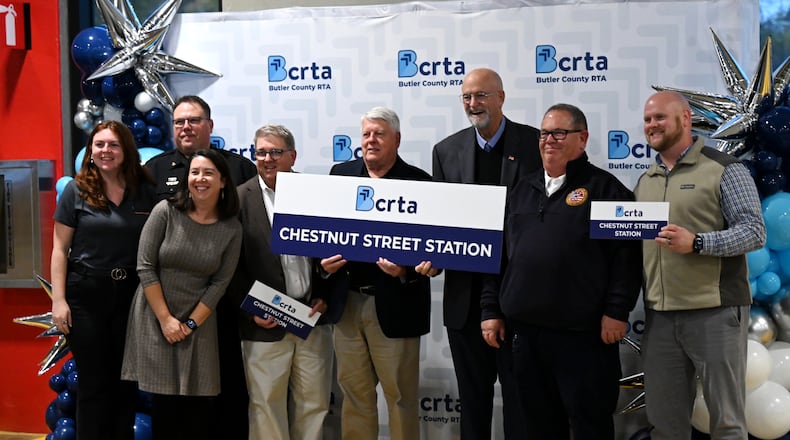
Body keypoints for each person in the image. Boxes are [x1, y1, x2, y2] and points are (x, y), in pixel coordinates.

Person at [481, 103, 642, 439]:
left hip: (583, 339)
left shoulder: (606, 190)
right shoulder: (521, 189)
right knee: (538, 426)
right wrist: (491, 309)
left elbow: (626, 259)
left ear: (582, 139)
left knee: (590, 425)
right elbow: (498, 257)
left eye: (558, 133)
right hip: (525, 336)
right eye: (544, 133)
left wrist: (617, 310)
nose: (548, 140)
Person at [635, 91, 766, 439]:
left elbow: (754, 232)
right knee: (665, 425)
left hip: (715, 313)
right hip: (660, 317)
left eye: (660, 117)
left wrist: (697, 243)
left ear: (686, 119)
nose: (652, 125)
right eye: (648, 119)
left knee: (727, 424)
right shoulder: (645, 181)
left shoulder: (724, 169)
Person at [426, 67, 539, 439]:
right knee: (472, 405)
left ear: (501, 97)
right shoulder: (445, 150)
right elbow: (441, 220)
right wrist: (433, 256)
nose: (474, 104)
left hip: (519, 298)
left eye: (481, 96)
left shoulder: (534, 144)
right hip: (465, 303)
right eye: (467, 97)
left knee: (522, 401)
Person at [144, 95, 256, 438]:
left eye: (193, 120)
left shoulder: (239, 169)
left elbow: (253, 242)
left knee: (228, 393)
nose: (186, 127)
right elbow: (145, 249)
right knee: (171, 398)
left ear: (210, 125)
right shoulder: (154, 171)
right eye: (179, 122)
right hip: (172, 307)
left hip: (226, 303)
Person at [321, 107, 432, 440]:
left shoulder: (420, 183)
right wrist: (322, 266)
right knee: (354, 396)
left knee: (400, 398)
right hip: (348, 303)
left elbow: (432, 251)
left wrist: (406, 269)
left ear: (396, 140)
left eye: (379, 134)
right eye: (366, 133)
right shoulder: (340, 175)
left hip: (396, 302)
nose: (371, 140)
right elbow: (324, 233)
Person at [226, 124, 340, 440]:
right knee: (265, 410)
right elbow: (230, 269)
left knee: (314, 407)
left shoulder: (316, 194)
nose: (267, 159)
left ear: (292, 155)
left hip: (311, 319)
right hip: (262, 325)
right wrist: (251, 310)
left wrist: (325, 292)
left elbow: (333, 252)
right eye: (261, 152)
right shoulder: (238, 199)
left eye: (275, 152)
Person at [121, 149, 242, 440]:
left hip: (198, 322)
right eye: (195, 172)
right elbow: (145, 266)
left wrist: (189, 324)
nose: (200, 179)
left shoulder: (231, 228)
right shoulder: (166, 211)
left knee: (198, 411)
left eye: (208, 173)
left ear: (223, 181)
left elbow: (220, 283)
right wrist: (166, 320)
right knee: (165, 409)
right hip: (156, 315)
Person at [50, 120, 156, 440]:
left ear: (126, 150)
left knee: (126, 385)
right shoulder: (76, 190)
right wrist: (59, 301)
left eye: (113, 145)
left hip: (131, 297)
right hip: (86, 296)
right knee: (94, 386)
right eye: (99, 145)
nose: (105, 151)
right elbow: (59, 249)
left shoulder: (145, 192)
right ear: (91, 151)